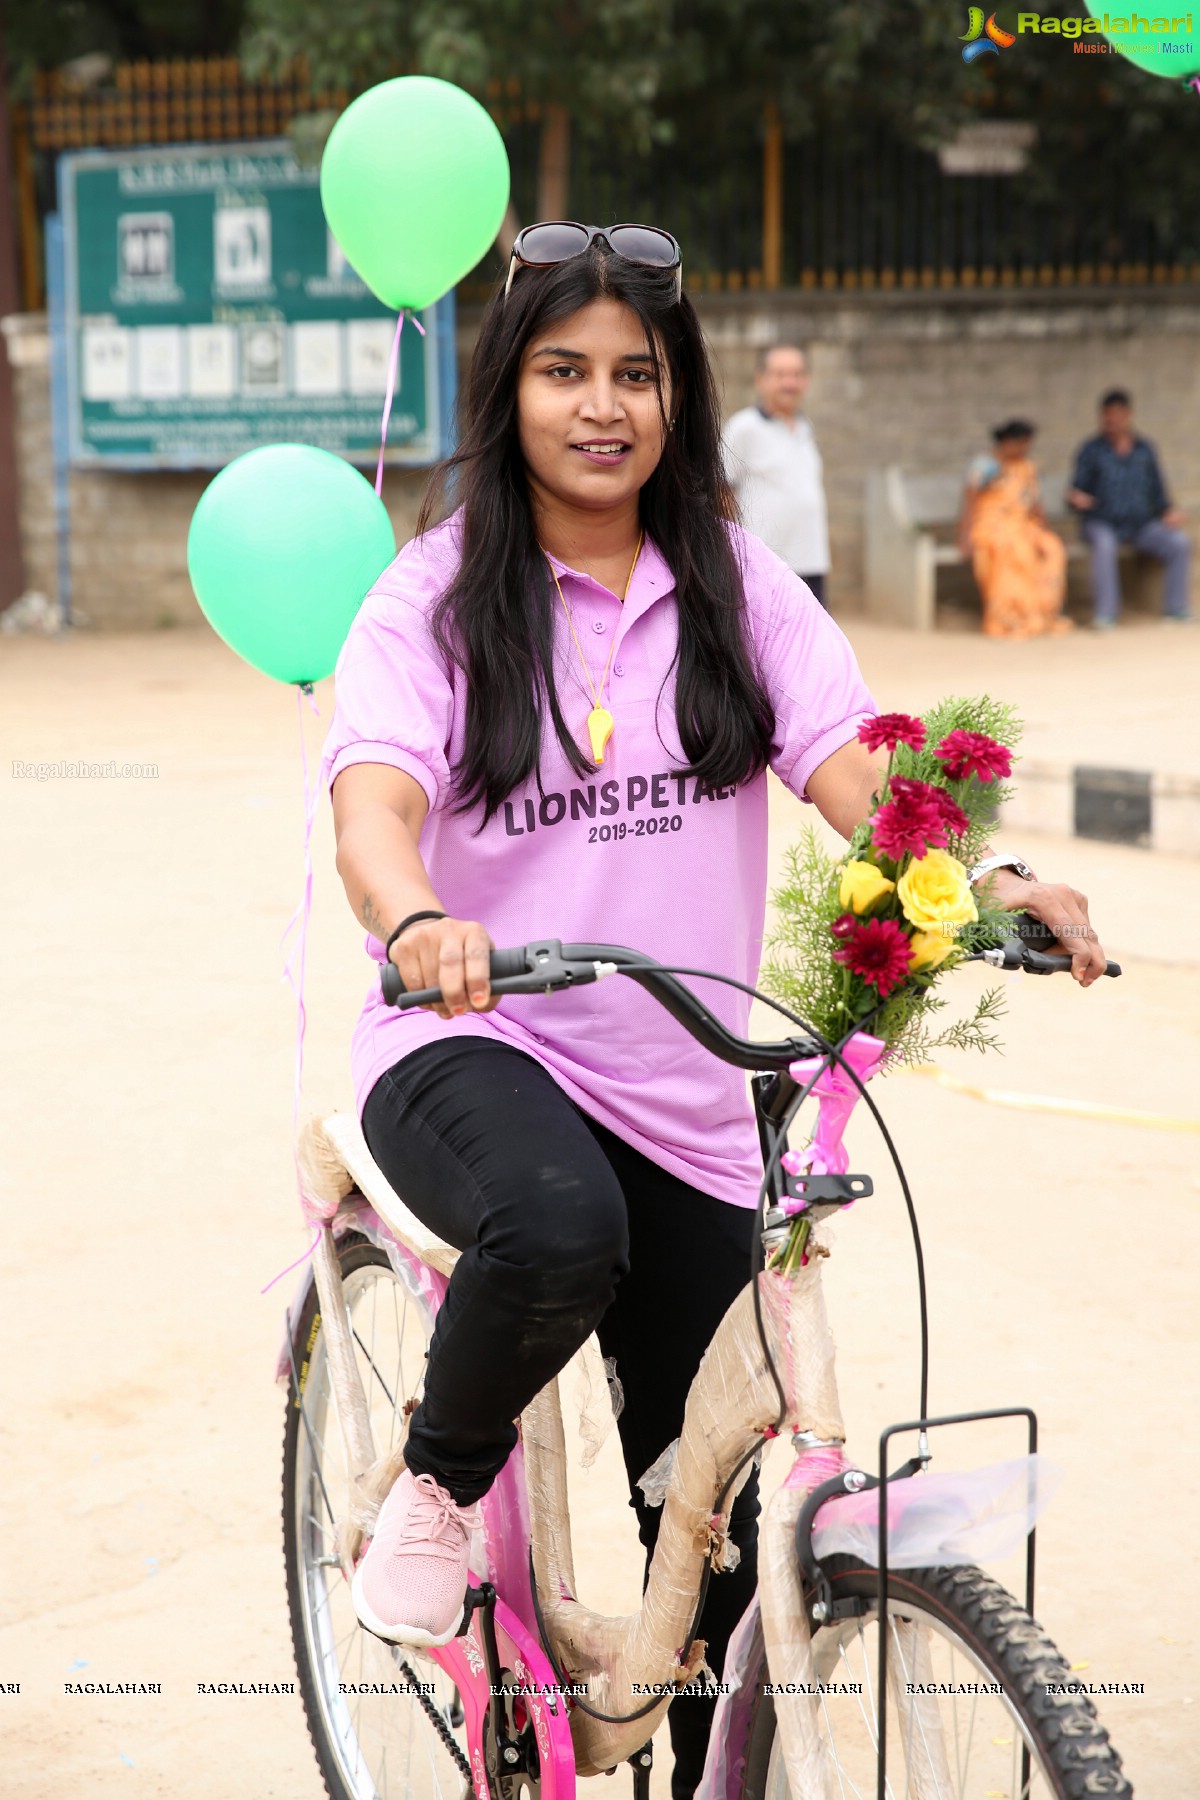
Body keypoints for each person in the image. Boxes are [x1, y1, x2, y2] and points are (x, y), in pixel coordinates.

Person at [320, 221, 1109, 1798]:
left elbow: (856, 773)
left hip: (683, 1084)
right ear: (510, 392)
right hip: (474, 1041)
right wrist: (418, 919)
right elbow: (373, 807)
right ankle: (434, 1482)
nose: (600, 406)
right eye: (562, 372)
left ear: (678, 393)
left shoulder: (738, 586)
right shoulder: (433, 597)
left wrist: (990, 876)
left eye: (635, 372)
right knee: (554, 1227)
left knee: (732, 1517)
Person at [1066, 388, 1193, 629]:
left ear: (1128, 415)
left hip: (1140, 525)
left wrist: (1167, 511)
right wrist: (1076, 498)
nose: (1111, 420)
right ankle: (1106, 614)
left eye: (1116, 414)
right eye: (1106, 415)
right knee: (1104, 544)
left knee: (1179, 542)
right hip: (1100, 522)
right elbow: (1075, 490)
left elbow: (1157, 489)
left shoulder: (1145, 449)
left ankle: (1176, 608)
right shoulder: (1091, 450)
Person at [720, 343, 831, 608]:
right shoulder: (743, 428)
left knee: (814, 645)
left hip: (811, 560)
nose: (790, 383)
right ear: (761, 379)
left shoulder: (805, 427)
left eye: (797, 375)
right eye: (781, 375)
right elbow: (720, 491)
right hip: (766, 566)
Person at [959, 420, 1071, 639]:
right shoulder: (985, 466)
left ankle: (1042, 611)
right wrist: (964, 535)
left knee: (1051, 548)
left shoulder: (1026, 467)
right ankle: (1009, 617)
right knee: (1012, 549)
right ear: (1008, 442)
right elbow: (970, 502)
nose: (1025, 450)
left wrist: (1046, 530)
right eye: (1022, 444)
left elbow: (1035, 505)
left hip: (1023, 525)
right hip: (991, 526)